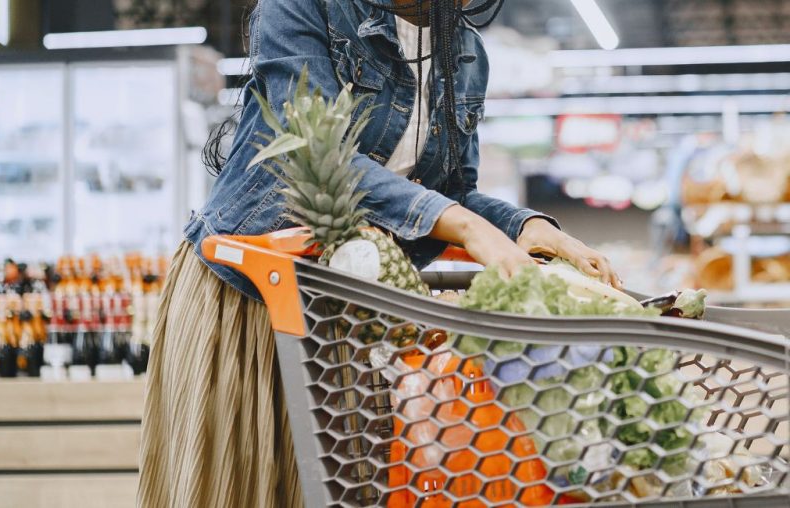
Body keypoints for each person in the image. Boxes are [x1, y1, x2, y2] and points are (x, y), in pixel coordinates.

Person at [137, 0, 622, 506]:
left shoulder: (466, 51)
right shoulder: (300, 9)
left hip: (355, 314)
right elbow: (309, 149)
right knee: (240, 486)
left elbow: (452, 192)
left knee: (343, 487)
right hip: (249, 298)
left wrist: (527, 226)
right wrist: (467, 226)